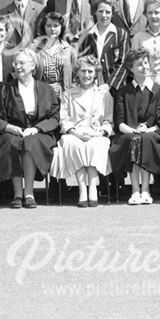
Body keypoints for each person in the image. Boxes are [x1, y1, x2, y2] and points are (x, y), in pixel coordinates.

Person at [0, 50, 59, 209]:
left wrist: (37, 128)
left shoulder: (46, 89)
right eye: (16, 63)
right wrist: (9, 127)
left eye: (22, 63)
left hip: (39, 131)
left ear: (33, 65)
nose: (18, 66)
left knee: (30, 143)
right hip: (12, 130)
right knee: (13, 143)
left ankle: (29, 193)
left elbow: (54, 117)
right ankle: (17, 193)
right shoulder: (5, 89)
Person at [50, 55, 114, 207]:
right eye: (83, 71)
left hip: (96, 133)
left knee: (95, 145)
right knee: (73, 144)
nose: (87, 75)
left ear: (96, 73)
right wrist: (75, 133)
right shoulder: (68, 94)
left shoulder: (104, 94)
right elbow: (64, 119)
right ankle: (82, 190)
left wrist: (100, 133)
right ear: (77, 73)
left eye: (90, 72)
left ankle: (92, 187)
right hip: (75, 132)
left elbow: (108, 121)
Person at [110, 49, 160, 205]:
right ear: (130, 68)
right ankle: (135, 190)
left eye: (145, 62)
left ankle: (146, 190)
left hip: (152, 134)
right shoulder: (123, 92)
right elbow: (119, 122)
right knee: (135, 139)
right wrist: (134, 130)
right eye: (139, 64)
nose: (144, 67)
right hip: (129, 134)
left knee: (145, 140)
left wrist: (148, 129)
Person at [76, 0, 128, 89]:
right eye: (100, 11)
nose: (104, 15)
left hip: (115, 89)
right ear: (95, 12)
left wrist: (109, 85)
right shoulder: (85, 35)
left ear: (113, 14)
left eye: (108, 12)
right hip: (91, 87)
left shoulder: (121, 34)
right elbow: (80, 62)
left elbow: (124, 63)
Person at [29, 11, 75, 98]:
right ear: (44, 27)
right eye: (49, 26)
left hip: (62, 94)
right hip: (41, 93)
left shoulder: (68, 49)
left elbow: (75, 73)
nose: (52, 29)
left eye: (56, 26)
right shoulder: (35, 48)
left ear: (62, 27)